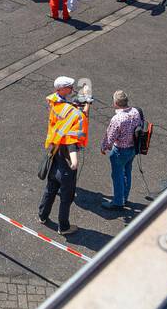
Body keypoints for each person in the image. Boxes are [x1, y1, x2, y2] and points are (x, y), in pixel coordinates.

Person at [38, 75, 90, 236]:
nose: (72, 89)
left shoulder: (54, 103)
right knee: (66, 199)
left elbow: (67, 110)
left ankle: (43, 216)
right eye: (69, 87)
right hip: (66, 166)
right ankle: (64, 227)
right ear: (61, 89)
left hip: (54, 155)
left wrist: (76, 105)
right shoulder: (74, 117)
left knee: (50, 189)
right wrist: (87, 102)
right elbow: (72, 142)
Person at [99, 89, 140, 210]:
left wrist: (104, 146)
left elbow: (110, 137)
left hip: (120, 151)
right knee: (127, 173)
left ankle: (117, 202)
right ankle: (124, 198)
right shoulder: (135, 112)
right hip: (132, 149)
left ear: (116, 103)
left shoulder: (117, 119)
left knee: (117, 176)